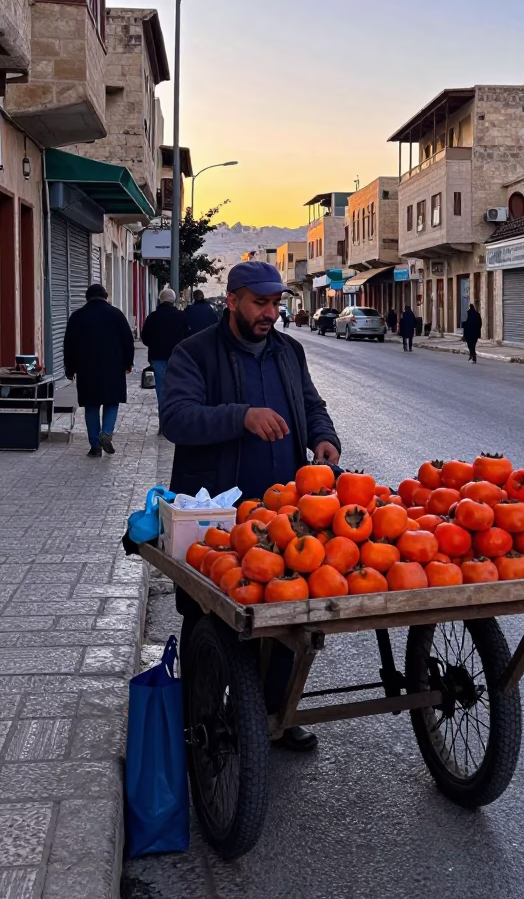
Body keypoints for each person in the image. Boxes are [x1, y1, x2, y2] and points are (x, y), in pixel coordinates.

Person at [161, 260, 341, 752]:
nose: (270, 313)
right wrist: (242, 417)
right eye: (260, 303)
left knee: (285, 612)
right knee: (209, 615)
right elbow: (177, 419)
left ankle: (275, 713)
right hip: (216, 513)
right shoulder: (193, 353)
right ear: (234, 299)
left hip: (282, 514)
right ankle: (199, 717)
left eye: (276, 303)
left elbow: (311, 405)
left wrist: (324, 438)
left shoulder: (289, 351)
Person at [63, 284, 135, 457]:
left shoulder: (77, 316)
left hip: (86, 368)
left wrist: (70, 369)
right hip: (113, 367)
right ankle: (106, 433)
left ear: (87, 297)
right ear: (106, 296)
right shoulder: (116, 315)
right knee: (112, 401)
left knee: (91, 405)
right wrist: (128, 363)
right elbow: (128, 341)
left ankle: (95, 445)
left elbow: (69, 345)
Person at [140, 288, 188, 426]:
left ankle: (164, 421)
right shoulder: (181, 316)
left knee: (161, 389)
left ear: (160, 300)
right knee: (177, 387)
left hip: (158, 356)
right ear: (174, 300)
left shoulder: (153, 317)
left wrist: (154, 345)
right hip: (178, 358)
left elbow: (145, 338)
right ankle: (175, 418)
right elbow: (187, 336)